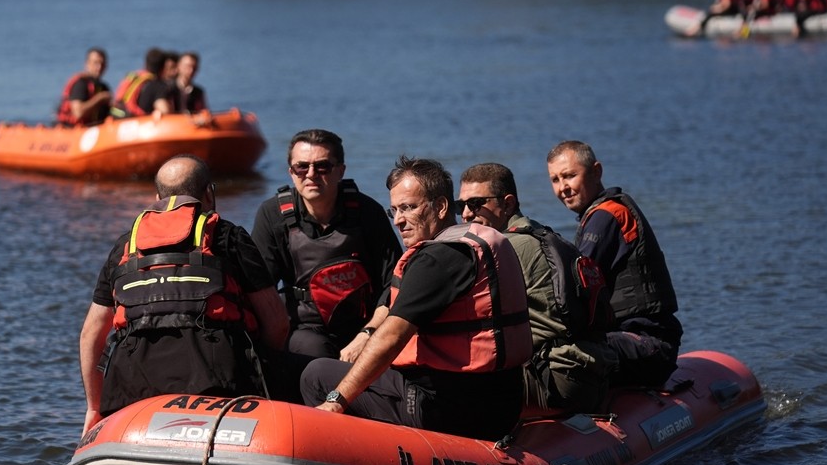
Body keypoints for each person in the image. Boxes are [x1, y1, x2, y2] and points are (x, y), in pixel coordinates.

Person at [300, 156, 532, 441]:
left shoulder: (439, 258)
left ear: (441, 207)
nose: (398, 220)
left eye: (408, 208)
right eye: (394, 210)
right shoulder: (474, 242)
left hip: (447, 411)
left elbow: (393, 336)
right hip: (501, 406)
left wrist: (337, 399)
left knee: (317, 373)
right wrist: (366, 333)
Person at [76, 155, 289, 435]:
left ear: (157, 197)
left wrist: (94, 407)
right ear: (209, 194)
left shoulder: (125, 246)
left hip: (130, 390)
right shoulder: (228, 237)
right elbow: (277, 323)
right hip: (218, 385)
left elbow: (91, 334)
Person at [251, 130, 402, 400]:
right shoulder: (272, 215)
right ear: (290, 171)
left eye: (322, 166)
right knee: (314, 360)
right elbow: (260, 288)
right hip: (304, 327)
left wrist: (368, 334)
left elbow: (394, 283)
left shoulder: (367, 212)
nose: (311, 174)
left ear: (340, 170)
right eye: (302, 166)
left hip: (365, 323)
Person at [458, 163, 617, 414]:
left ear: (508, 204)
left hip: (556, 383)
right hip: (590, 376)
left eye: (476, 204)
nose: (466, 214)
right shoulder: (545, 235)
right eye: (461, 206)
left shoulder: (503, 249)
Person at [546, 141, 683, 389]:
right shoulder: (597, 215)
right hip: (634, 340)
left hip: (649, 344)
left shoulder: (606, 217)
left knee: (560, 353)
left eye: (569, 176)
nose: (563, 187)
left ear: (596, 171)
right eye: (555, 180)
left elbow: (573, 289)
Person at [111, 47, 178, 118]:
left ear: (145, 63)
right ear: (163, 67)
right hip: (136, 120)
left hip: (117, 118)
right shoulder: (157, 86)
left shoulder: (132, 77)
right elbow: (165, 110)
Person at [56, 47, 112, 127]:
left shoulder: (104, 87)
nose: (99, 67)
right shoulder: (81, 84)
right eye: (95, 63)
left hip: (95, 129)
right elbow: (78, 113)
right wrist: (100, 98)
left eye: (102, 63)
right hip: (72, 129)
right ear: (87, 64)